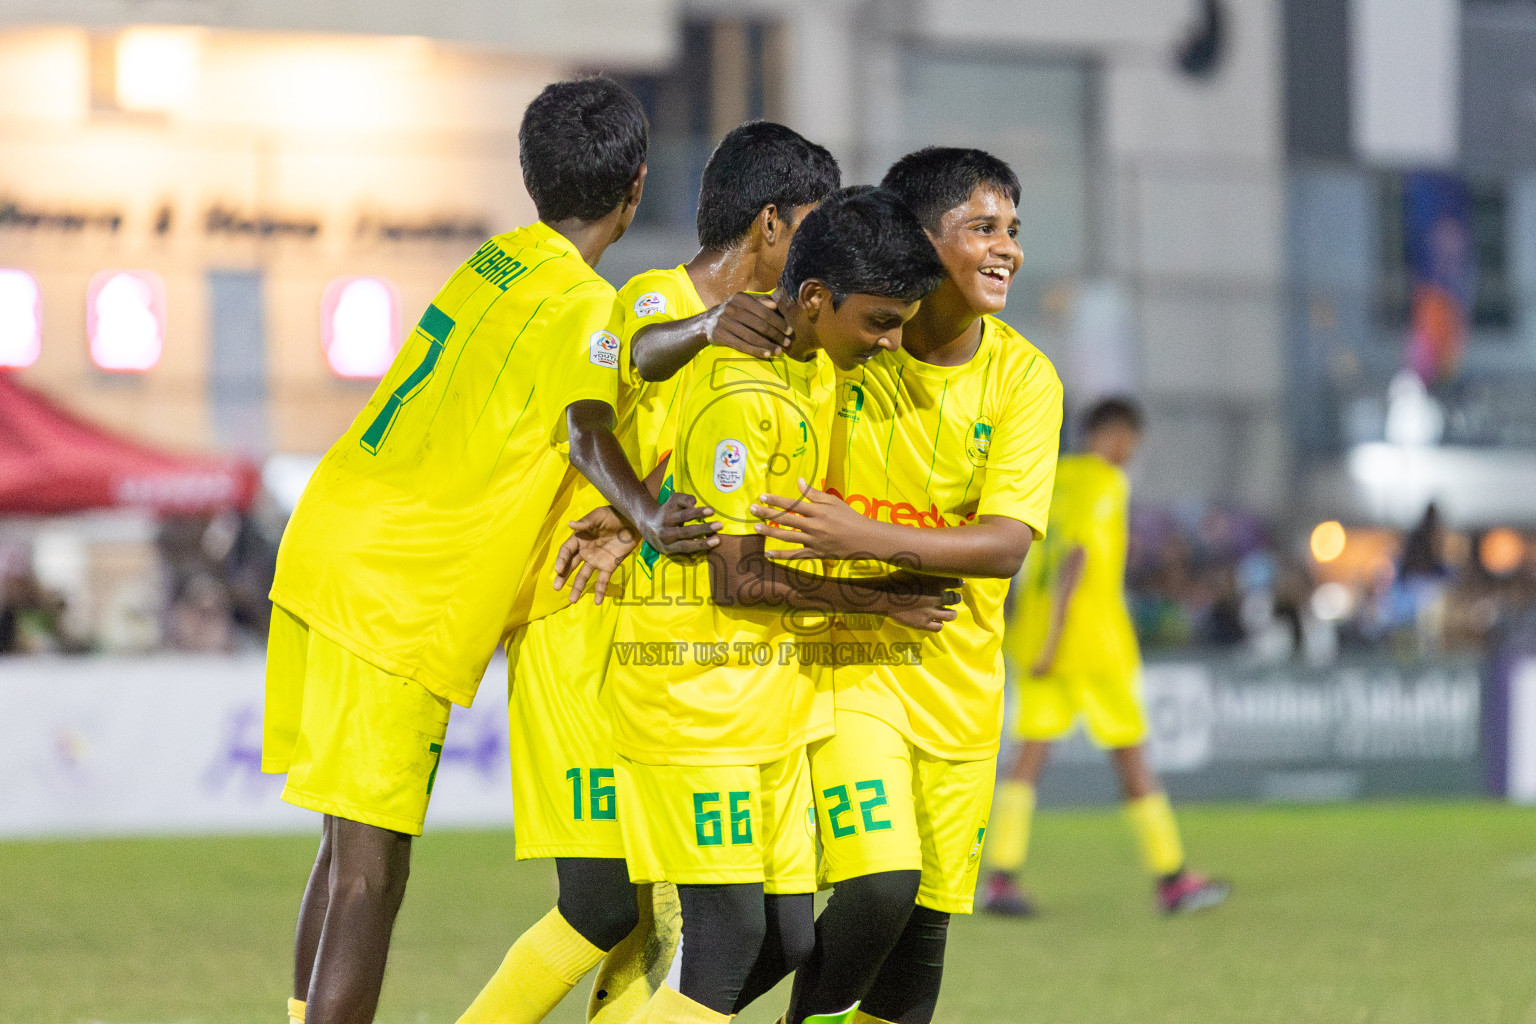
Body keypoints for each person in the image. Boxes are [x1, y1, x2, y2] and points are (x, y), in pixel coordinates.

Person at [261, 77, 717, 1024]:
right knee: (370, 876)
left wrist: (702, 327)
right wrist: (648, 516)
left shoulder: (497, 265)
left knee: (343, 851)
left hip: (328, 546)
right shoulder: (586, 305)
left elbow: (601, 369)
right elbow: (590, 423)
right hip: (398, 590)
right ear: (638, 187)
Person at [454, 119, 841, 1024]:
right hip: (579, 627)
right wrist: (642, 513)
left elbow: (690, 461)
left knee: (662, 925)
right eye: (814, 227)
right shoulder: (650, 298)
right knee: (602, 909)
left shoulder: (777, 347)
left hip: (668, 651)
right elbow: (615, 386)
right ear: (775, 224)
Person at [567, 188, 954, 1024]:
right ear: (814, 298)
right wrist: (883, 597)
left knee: (789, 938)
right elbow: (737, 579)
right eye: (882, 322)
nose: (890, 344)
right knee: (730, 932)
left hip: (765, 695)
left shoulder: (811, 366)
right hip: (695, 688)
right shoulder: (746, 391)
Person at [749, 147, 1064, 1024]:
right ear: (921, 241)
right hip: (850, 670)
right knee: (879, 891)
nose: (1008, 249)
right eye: (983, 228)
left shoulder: (1026, 380)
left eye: (1013, 230)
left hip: (961, 694)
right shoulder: (850, 345)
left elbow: (1005, 546)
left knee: (909, 980)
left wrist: (860, 534)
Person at [982, 396, 1230, 917]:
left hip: (1035, 640)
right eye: (1131, 441)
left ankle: (1001, 877)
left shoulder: (1054, 479)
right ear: (1115, 435)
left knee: (1027, 759)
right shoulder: (1105, 482)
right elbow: (1079, 555)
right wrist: (1058, 637)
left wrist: (1037, 636)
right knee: (1131, 757)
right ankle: (1173, 878)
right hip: (1090, 644)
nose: (1131, 452)